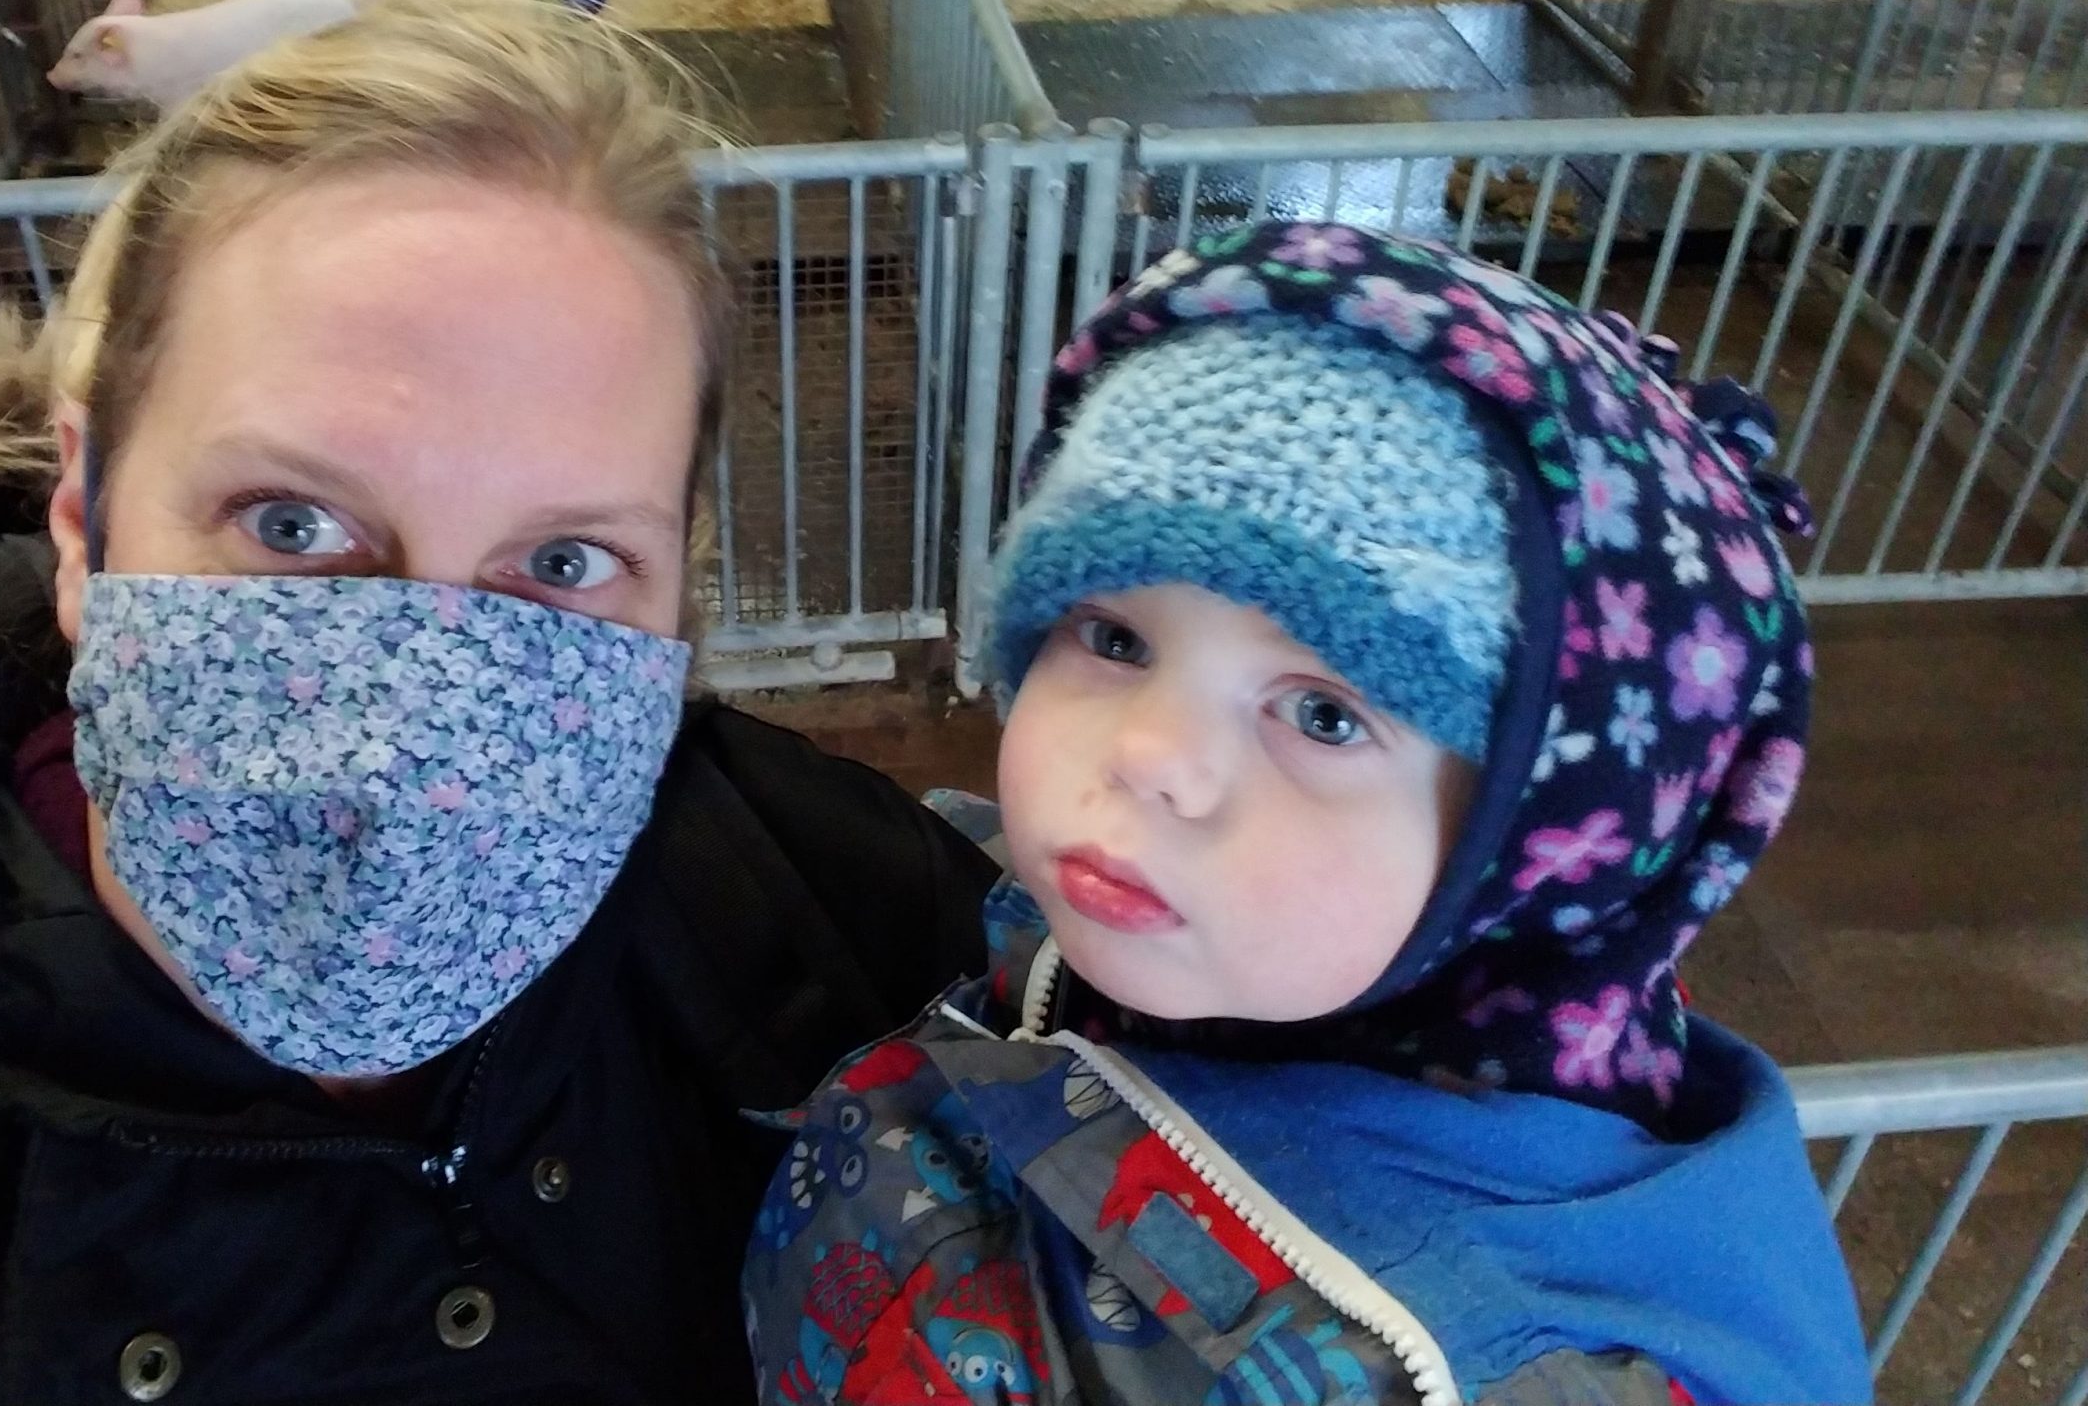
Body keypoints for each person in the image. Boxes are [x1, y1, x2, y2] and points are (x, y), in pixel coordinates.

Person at [0, 8, 998, 1404]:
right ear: (83, 520)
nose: (415, 718)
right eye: (294, 525)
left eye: (561, 562)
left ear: (675, 591)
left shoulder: (818, 911)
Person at [744, 222, 1873, 1405]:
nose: (1149, 757)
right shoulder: (1095, 937)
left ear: (1539, 854)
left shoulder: (1498, 1376)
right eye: (1113, 637)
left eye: (1324, 715)